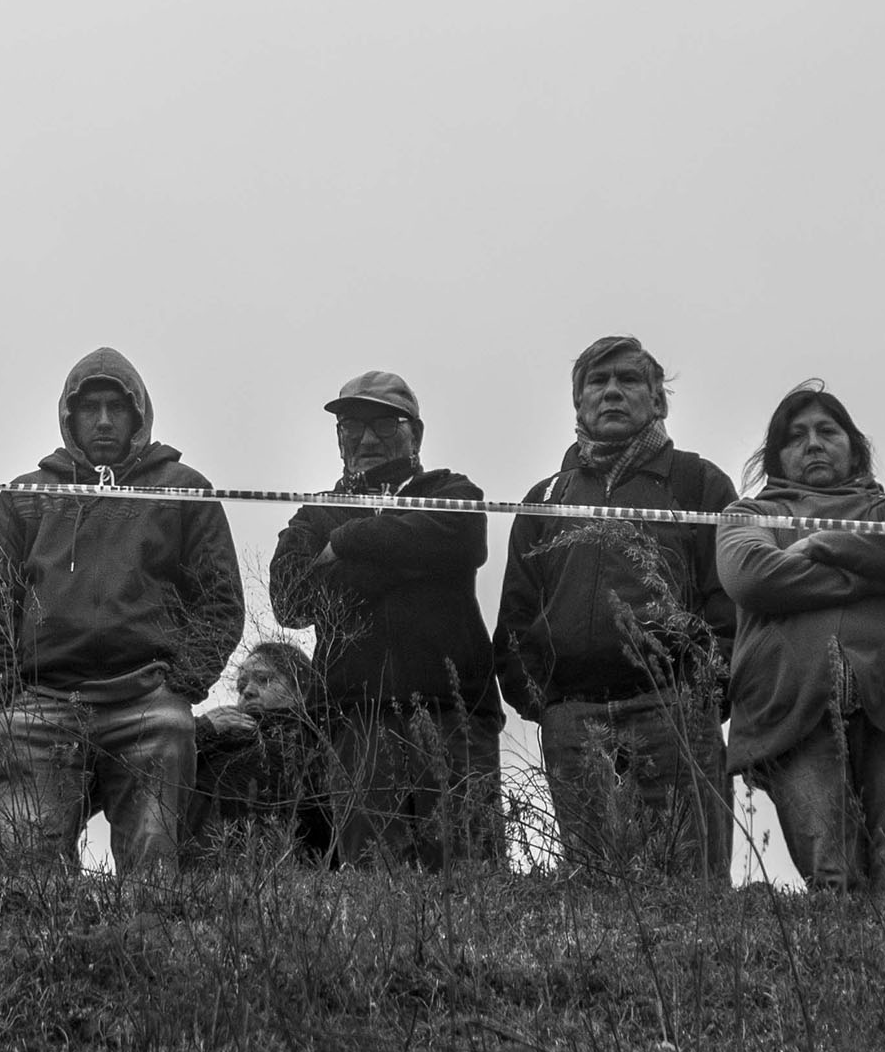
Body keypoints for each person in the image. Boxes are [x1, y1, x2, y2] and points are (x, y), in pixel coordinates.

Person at [0, 348, 244, 877]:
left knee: (153, 858)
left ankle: (148, 941)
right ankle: (42, 951)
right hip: (42, 698)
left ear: (138, 415)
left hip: (144, 697)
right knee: (29, 869)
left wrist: (183, 684)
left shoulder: (182, 489)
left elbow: (222, 597)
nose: (101, 420)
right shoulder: (28, 495)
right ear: (67, 417)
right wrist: (6, 686)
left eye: (115, 408)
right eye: (88, 408)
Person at [495, 337, 740, 875]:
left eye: (628, 380)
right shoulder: (546, 497)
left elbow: (731, 601)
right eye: (596, 383)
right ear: (578, 403)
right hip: (573, 718)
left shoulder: (698, 482)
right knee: (592, 888)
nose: (611, 392)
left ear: (658, 402)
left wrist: (704, 694)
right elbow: (515, 614)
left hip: (673, 711)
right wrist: (545, 703)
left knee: (691, 884)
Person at [715, 385, 885, 895]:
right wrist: (873, 574)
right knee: (832, 882)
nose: (812, 444)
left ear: (854, 446)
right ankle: (841, 973)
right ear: (776, 457)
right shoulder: (746, 514)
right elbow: (752, 577)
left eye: (827, 431)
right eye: (796, 436)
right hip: (787, 708)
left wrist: (821, 545)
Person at [269, 371, 505, 869]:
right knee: (373, 887)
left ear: (415, 433)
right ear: (339, 439)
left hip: (454, 714)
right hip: (356, 720)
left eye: (385, 422)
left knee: (473, 881)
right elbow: (290, 599)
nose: (368, 438)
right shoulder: (315, 515)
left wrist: (349, 542)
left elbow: (464, 539)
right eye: (352, 426)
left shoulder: (452, 491)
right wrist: (409, 557)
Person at [186, 640, 333, 866]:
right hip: (199, 883)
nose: (248, 691)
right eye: (241, 686)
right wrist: (201, 731)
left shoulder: (313, 746)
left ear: (301, 691)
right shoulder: (218, 741)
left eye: (264, 679)